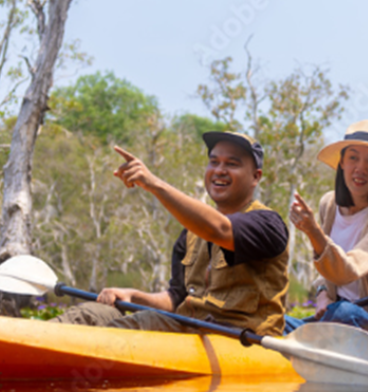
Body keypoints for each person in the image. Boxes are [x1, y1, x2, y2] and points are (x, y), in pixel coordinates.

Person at [49, 131, 290, 335]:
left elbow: (220, 229)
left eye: (232, 164)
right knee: (90, 313)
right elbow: (176, 298)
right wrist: (132, 296)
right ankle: (30, 344)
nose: (219, 170)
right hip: (188, 330)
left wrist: (154, 183)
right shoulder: (191, 234)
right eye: (214, 162)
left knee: (142, 324)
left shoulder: (267, 223)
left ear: (255, 177)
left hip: (239, 341)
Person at [285, 120, 368, 333]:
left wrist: (312, 231)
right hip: (333, 317)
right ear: (342, 162)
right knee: (278, 322)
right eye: (353, 157)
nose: (361, 168)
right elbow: (327, 270)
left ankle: (311, 340)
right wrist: (323, 292)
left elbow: (346, 271)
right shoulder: (329, 204)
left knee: (344, 312)